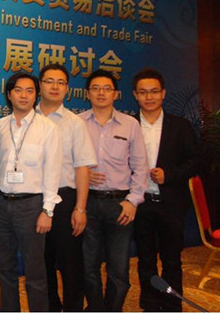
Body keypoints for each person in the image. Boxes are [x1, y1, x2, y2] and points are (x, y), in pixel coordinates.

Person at [0, 72, 62, 312]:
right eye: (18, 90)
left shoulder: (48, 128)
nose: (24, 95)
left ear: (36, 95)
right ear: (9, 94)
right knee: (4, 267)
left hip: (31, 206)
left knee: (35, 270)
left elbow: (52, 171)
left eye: (30, 91)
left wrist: (47, 211)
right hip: (0, 203)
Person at [79, 68, 149, 312]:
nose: (101, 93)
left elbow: (141, 166)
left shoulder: (130, 124)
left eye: (106, 88)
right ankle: (95, 308)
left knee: (118, 267)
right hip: (87, 202)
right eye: (95, 88)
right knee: (88, 265)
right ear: (87, 93)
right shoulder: (77, 123)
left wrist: (133, 200)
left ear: (116, 94)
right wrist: (82, 175)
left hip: (120, 204)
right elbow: (65, 162)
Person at [132, 68, 200, 312]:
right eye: (143, 92)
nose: (149, 97)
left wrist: (168, 174)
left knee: (172, 260)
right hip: (141, 203)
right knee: (145, 259)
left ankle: (172, 306)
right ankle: (150, 305)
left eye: (154, 91)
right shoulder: (128, 125)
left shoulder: (180, 126)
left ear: (163, 93)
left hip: (171, 204)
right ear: (135, 95)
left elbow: (195, 161)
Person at [38, 64, 97, 312]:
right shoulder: (27, 118)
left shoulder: (74, 123)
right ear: (39, 85)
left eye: (60, 82)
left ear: (67, 89)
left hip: (65, 199)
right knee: (41, 263)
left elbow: (82, 168)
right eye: (49, 81)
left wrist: (80, 208)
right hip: (34, 199)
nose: (54, 86)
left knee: (70, 263)